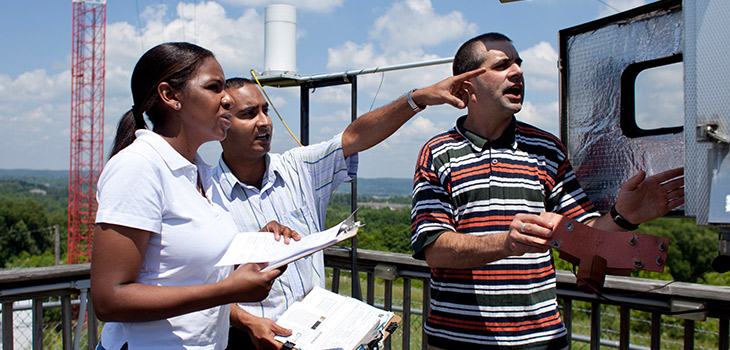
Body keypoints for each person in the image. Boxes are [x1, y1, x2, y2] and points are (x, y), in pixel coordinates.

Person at [410, 32, 685, 349]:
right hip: (456, 341)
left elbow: (585, 237)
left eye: (519, 64)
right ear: (467, 86)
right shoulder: (438, 152)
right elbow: (434, 249)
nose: (518, 72)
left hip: (542, 340)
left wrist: (625, 216)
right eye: (502, 65)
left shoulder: (547, 149)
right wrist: (506, 243)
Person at [210, 70, 486, 349]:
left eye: (265, 111)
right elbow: (193, 282)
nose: (264, 122)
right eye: (248, 114)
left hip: (314, 336)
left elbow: (355, 136)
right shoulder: (204, 192)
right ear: (222, 124)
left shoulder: (298, 168)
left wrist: (417, 99)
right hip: (247, 339)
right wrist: (245, 320)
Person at [90, 42, 287, 350]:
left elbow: (186, 269)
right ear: (170, 95)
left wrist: (258, 248)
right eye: (214, 87)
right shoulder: (139, 166)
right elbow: (110, 299)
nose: (227, 99)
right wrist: (227, 291)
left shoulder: (200, 174)